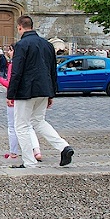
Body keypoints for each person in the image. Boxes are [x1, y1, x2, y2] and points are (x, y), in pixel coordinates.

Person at [6, 15, 74, 168]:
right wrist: (51, 93)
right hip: (44, 89)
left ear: (19, 27)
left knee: (21, 126)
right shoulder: (47, 45)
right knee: (39, 121)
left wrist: (11, 94)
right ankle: (64, 147)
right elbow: (52, 70)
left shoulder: (21, 45)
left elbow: (17, 72)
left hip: (25, 91)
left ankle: (29, 161)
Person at [0, 45, 42, 161]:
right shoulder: (28, 64)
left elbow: (10, 83)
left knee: (12, 126)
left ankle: (14, 152)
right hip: (28, 97)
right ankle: (36, 150)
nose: (8, 52)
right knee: (29, 125)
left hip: (15, 98)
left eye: (10, 50)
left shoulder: (13, 65)